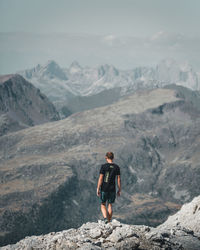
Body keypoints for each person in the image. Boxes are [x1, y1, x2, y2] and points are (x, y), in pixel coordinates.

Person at [97, 152, 121, 223]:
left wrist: (98, 188)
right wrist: (119, 189)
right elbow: (118, 179)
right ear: (113, 158)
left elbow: (101, 178)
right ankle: (109, 221)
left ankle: (105, 219)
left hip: (104, 188)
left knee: (103, 204)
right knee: (110, 204)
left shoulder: (104, 166)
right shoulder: (116, 167)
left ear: (106, 158)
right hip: (112, 188)